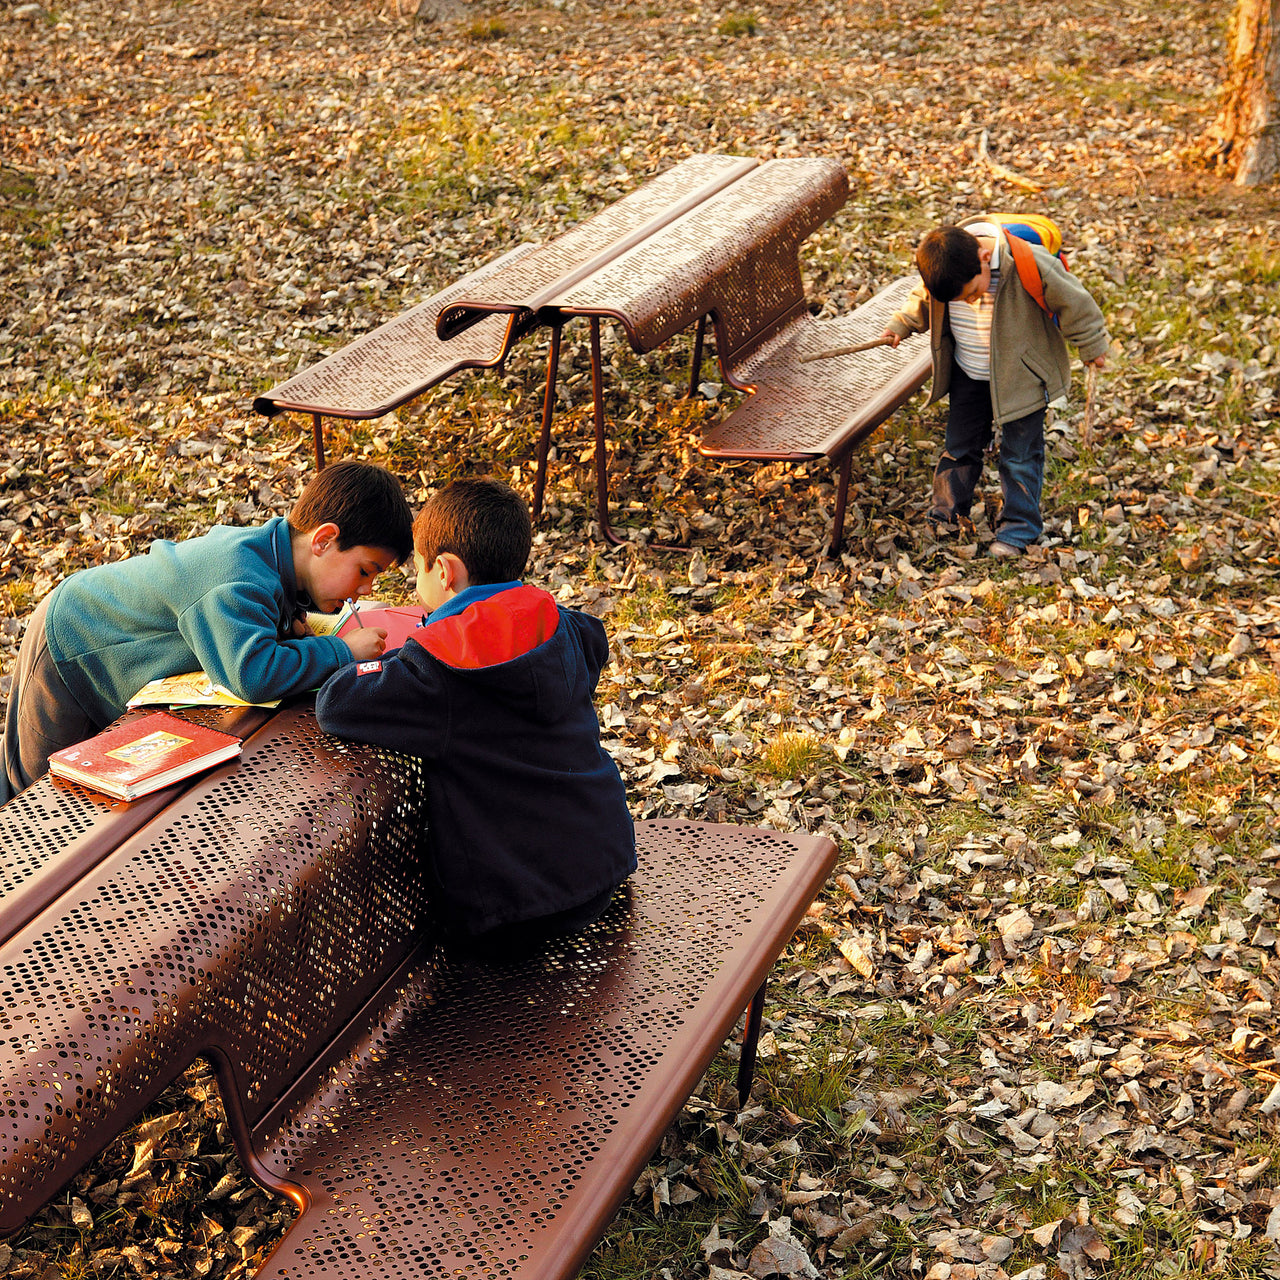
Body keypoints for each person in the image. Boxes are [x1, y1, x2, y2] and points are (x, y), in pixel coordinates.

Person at [315, 476, 636, 951]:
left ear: (444, 572)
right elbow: (593, 638)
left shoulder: (439, 673)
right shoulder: (564, 626)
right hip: (602, 869)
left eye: (418, 572)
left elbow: (338, 702)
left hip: (515, 910)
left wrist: (373, 654)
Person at [2, 459, 412, 799]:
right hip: (71, 647)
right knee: (41, 792)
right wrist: (343, 652)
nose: (366, 590)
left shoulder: (275, 556)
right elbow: (253, 673)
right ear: (323, 540)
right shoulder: (237, 576)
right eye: (364, 571)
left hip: (108, 649)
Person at [880, 218, 1110, 557]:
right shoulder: (948, 269)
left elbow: (1074, 301)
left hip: (1022, 379)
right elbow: (922, 297)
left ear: (985, 257)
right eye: (963, 299)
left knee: (1020, 455)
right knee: (959, 447)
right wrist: (902, 323)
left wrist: (1092, 345)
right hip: (968, 374)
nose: (971, 301)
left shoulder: (1028, 263)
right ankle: (946, 515)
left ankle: (1019, 529)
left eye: (973, 292)